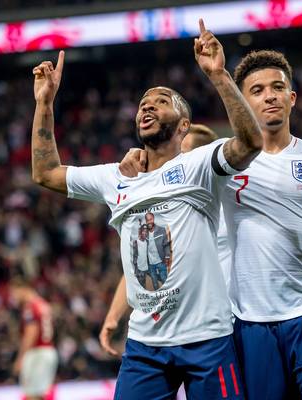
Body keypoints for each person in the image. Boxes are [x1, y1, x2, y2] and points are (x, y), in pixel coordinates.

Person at [118, 50, 302, 399]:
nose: (269, 96)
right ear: (243, 102)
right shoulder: (223, 162)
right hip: (249, 324)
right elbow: (170, 164)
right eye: (257, 90)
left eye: (277, 88)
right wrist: (140, 158)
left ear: (292, 98)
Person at [30, 18, 261, 399]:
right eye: (142, 104)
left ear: (184, 125)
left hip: (207, 337)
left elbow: (250, 143)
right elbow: (46, 173)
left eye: (161, 101)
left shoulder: (199, 165)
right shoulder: (115, 177)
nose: (147, 106)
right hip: (145, 345)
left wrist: (219, 75)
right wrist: (44, 103)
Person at [10, 275, 58, 400]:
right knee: (40, 394)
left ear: (23, 288)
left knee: (32, 395)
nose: (14, 296)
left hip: (37, 353)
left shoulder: (30, 307)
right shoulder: (43, 304)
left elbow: (31, 333)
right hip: (48, 350)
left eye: (14, 292)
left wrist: (20, 358)